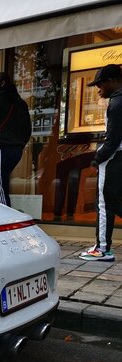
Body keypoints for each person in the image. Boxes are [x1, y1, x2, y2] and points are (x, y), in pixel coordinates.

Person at [79, 64, 122, 262]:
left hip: (113, 158)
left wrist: (98, 158)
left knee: (104, 203)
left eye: (101, 84)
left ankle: (102, 248)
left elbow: (113, 141)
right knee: (117, 201)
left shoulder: (116, 103)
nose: (98, 89)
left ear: (112, 81)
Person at [0, 72, 32, 206]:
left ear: (2, 83)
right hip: (16, 150)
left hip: (1, 148)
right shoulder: (21, 103)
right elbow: (27, 129)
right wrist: (20, 144)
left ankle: (6, 220)